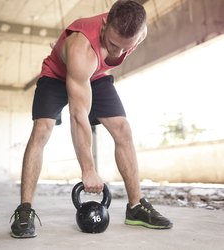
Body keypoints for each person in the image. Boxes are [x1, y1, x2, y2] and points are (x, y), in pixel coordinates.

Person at [10, 0, 173, 238]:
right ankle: (25, 210)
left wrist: (110, 54)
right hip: (58, 74)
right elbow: (78, 116)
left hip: (93, 75)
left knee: (123, 129)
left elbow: (116, 51)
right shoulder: (81, 47)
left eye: (125, 47)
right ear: (105, 25)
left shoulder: (139, 31)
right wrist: (88, 170)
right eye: (113, 44)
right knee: (42, 129)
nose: (117, 53)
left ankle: (136, 207)